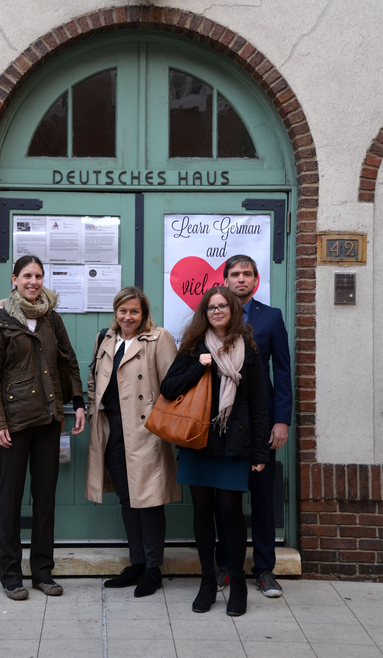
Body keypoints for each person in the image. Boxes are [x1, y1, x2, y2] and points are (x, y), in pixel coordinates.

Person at [0, 255, 85, 601]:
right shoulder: (0, 321)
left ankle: (42, 572)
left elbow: (67, 360)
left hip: (49, 420)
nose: (34, 281)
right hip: (13, 424)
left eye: (39, 276)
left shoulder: (51, 318)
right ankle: (10, 575)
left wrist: (78, 403)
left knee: (45, 499)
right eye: (27, 275)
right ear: (14, 279)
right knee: (9, 499)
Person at [160, 286, 268, 617]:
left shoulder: (248, 349)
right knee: (203, 510)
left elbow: (258, 403)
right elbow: (168, 388)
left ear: (233, 310)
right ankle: (207, 582)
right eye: (211, 308)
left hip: (234, 445)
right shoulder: (193, 347)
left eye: (223, 306)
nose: (217, 311)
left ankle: (237, 584)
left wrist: (260, 452)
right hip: (199, 441)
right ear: (204, 313)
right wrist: (199, 366)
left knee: (231, 512)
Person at [85, 286, 181, 597]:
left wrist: (160, 422)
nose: (128, 316)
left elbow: (174, 384)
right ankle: (137, 564)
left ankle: (153, 569)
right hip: (111, 426)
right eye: (123, 310)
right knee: (128, 499)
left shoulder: (159, 338)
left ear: (144, 314)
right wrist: (89, 412)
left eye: (134, 311)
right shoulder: (105, 338)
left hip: (145, 429)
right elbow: (93, 379)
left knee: (149, 500)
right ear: (116, 311)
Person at [215, 254, 293, 598]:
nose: (241, 279)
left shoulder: (271, 318)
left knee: (261, 498)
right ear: (225, 279)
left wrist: (281, 420)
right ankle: (227, 568)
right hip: (224, 424)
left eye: (247, 274)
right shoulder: (214, 316)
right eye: (235, 274)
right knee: (224, 499)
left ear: (256, 280)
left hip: (261, 422)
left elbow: (284, 372)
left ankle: (264, 570)